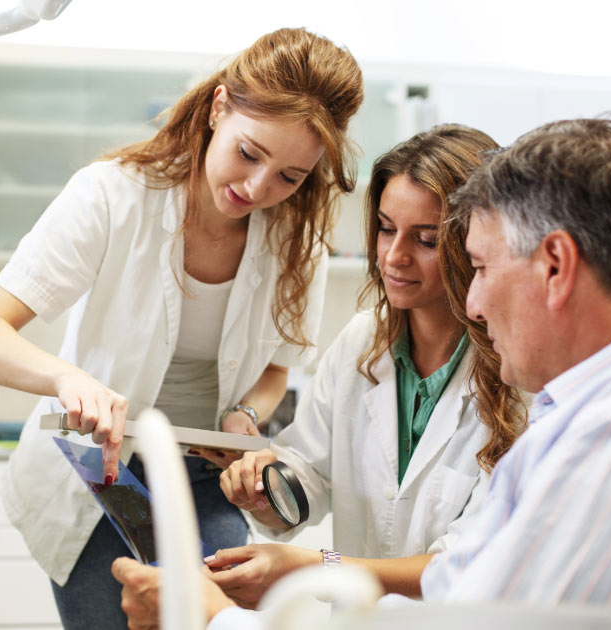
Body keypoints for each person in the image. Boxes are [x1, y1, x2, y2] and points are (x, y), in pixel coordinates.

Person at [114, 116, 611, 629]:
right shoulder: (605, 412)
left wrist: (211, 619)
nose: (476, 303)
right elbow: (466, 585)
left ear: (554, 266)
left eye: (479, 267)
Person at [0, 27, 364, 629]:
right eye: (249, 154)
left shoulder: (299, 242)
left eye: (290, 177)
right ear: (219, 108)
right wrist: (70, 381)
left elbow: (276, 370)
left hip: (203, 474)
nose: (257, 189)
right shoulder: (111, 195)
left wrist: (245, 415)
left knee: (217, 614)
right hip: (101, 472)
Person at [196, 125, 527, 607]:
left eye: (427, 240)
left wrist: (315, 567)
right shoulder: (363, 340)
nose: (395, 256)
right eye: (387, 228)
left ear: (475, 244)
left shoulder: (518, 375)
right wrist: (267, 488)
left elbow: (469, 562)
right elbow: (309, 470)